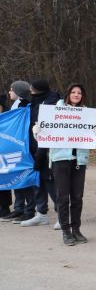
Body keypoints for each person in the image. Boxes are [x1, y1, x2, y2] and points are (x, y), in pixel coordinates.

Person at [50, 84, 93, 245]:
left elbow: (93, 133)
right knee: (63, 197)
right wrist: (37, 129)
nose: (76, 95)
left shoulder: (87, 113)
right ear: (68, 94)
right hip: (60, 159)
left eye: (79, 93)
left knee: (77, 196)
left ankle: (76, 229)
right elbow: (45, 131)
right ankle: (65, 231)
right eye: (73, 92)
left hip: (79, 160)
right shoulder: (55, 111)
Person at [21, 79, 61, 228]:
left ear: (38, 89)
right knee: (37, 183)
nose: (30, 90)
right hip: (32, 147)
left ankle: (62, 215)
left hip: (46, 149)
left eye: (32, 88)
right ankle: (41, 214)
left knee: (51, 182)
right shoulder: (33, 102)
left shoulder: (52, 102)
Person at [0, 81, 35, 223]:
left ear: (19, 92)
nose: (9, 92)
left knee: (25, 178)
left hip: (23, 147)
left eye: (12, 89)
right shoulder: (16, 105)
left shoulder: (27, 106)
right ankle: (19, 208)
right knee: (17, 178)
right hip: (14, 147)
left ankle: (29, 209)